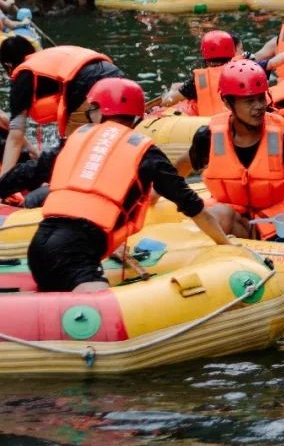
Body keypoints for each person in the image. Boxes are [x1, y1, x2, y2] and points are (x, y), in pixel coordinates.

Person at [25, 78, 233, 292]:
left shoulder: (80, 142)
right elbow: (193, 207)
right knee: (100, 318)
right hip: (74, 255)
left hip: (39, 246)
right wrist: (228, 247)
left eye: (93, 109)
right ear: (137, 115)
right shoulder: (145, 153)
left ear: (101, 112)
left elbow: (28, 172)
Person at [177, 60, 284, 239]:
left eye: (260, 97)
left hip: (275, 226)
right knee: (219, 214)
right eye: (249, 101)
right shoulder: (208, 136)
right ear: (227, 102)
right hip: (234, 222)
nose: (259, 106)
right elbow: (182, 167)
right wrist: (155, 194)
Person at [0, 38, 122, 175]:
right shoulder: (44, 59)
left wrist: (3, 184)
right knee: (113, 136)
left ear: (8, 65)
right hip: (116, 77)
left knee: (72, 152)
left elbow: (15, 136)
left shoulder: (23, 75)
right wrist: (34, 151)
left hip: (89, 84)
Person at [159, 30, 237, 116]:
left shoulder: (200, 80)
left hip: (208, 125)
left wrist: (173, 90)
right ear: (232, 51)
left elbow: (166, 102)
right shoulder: (240, 70)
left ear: (204, 55)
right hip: (237, 123)